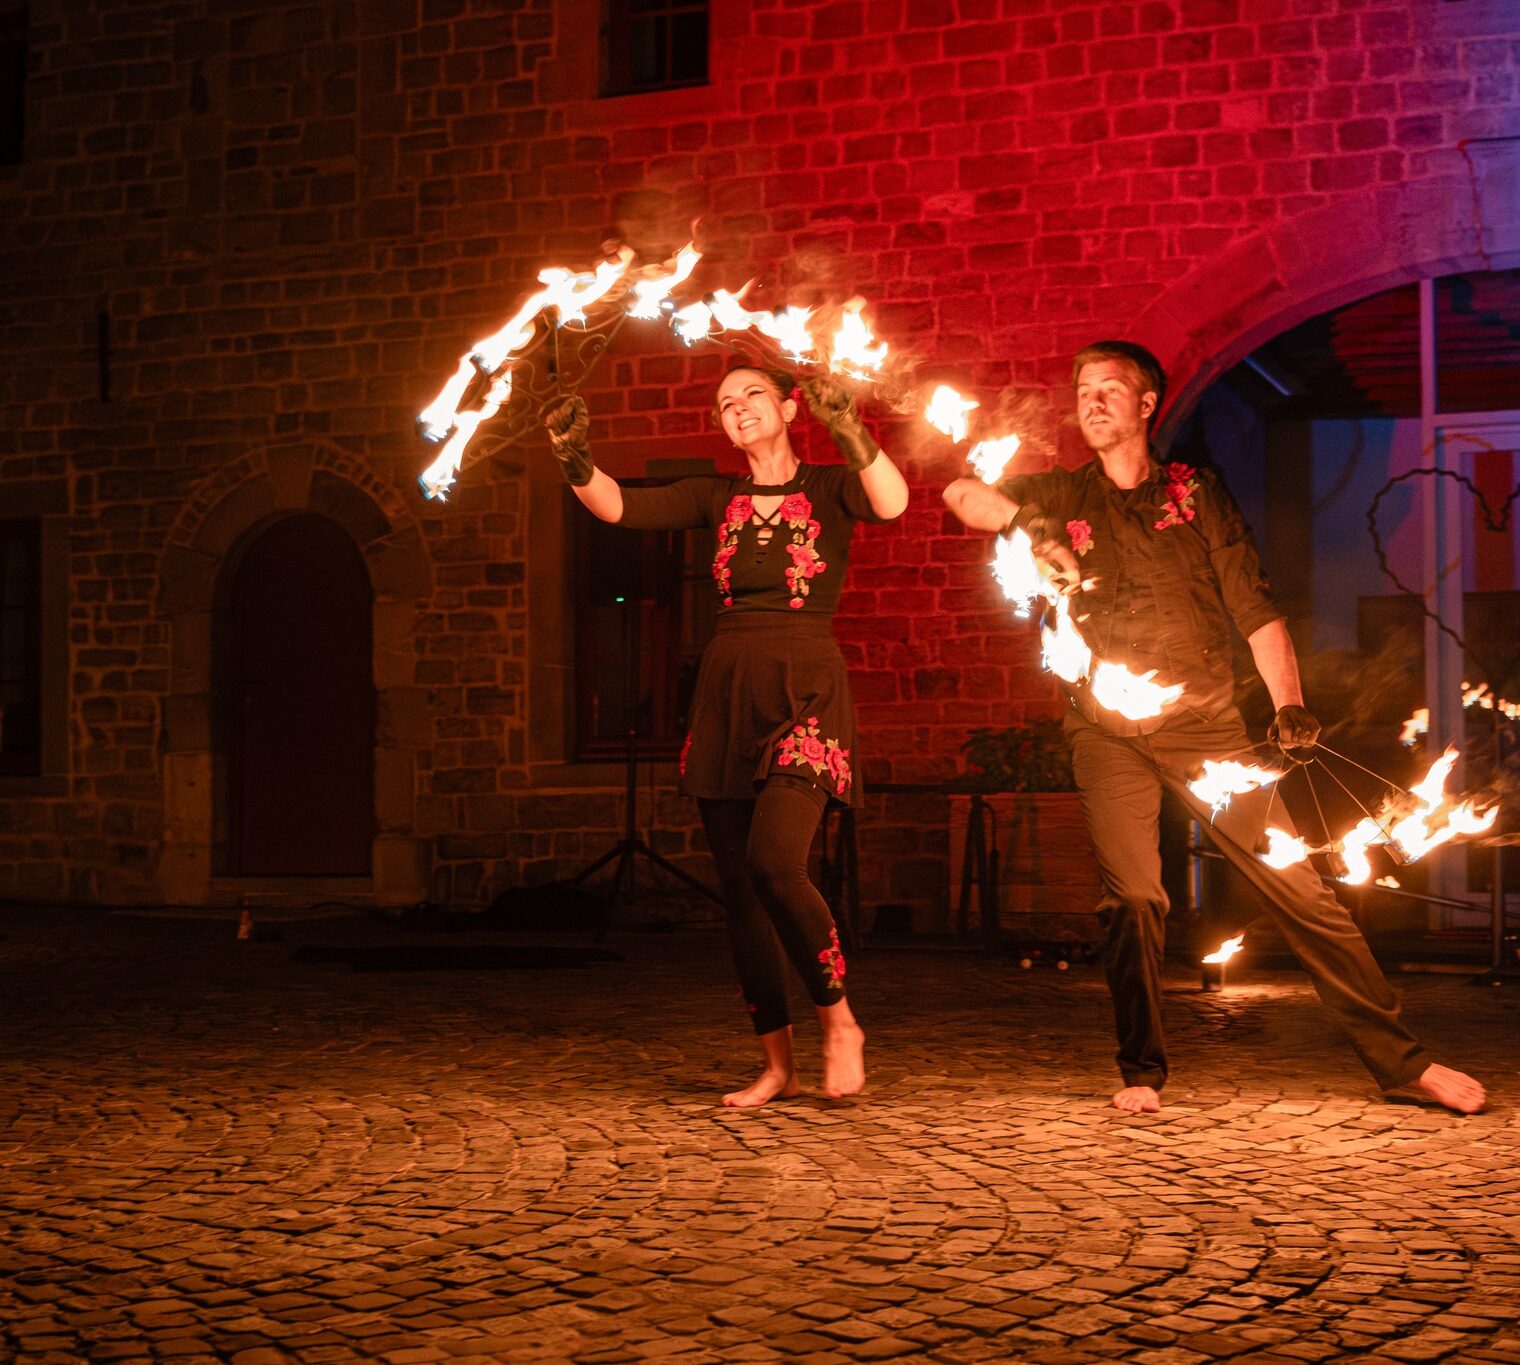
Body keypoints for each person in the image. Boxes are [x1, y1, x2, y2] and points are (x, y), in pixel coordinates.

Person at [942, 340, 1486, 1116]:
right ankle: (1141, 1068)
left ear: (1146, 404)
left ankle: (1404, 1064)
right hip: (1106, 732)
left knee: (1302, 891)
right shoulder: (1058, 492)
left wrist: (1288, 703)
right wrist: (1030, 525)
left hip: (1207, 730)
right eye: (1083, 388)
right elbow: (963, 493)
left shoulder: (1195, 495)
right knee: (1135, 899)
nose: (1093, 400)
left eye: (1110, 388)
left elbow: (1256, 610)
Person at [543, 364, 908, 1106]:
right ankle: (778, 1065)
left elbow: (891, 502)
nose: (737, 408)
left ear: (790, 408)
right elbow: (619, 506)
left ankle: (839, 1020)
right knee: (742, 893)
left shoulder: (832, 485)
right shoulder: (715, 496)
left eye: (752, 395)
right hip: (726, 694)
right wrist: (574, 458)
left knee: (776, 863)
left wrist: (850, 428)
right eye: (725, 403)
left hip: (805, 689)